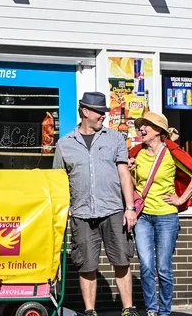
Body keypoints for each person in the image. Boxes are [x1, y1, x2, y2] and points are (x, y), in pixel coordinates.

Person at [53, 92, 139, 316]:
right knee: (87, 265)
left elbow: (123, 174)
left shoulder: (115, 139)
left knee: (121, 260)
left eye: (104, 112)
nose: (103, 116)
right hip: (81, 213)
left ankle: (128, 309)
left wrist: (130, 208)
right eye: (99, 112)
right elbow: (59, 180)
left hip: (113, 210)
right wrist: (65, 208)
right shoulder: (65, 144)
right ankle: (90, 311)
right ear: (85, 112)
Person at [128, 111, 192, 316]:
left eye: (146, 126)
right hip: (143, 216)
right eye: (140, 126)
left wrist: (180, 199)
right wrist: (131, 171)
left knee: (163, 268)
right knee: (146, 266)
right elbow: (134, 185)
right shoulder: (137, 153)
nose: (141, 129)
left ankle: (165, 311)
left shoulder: (171, 153)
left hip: (166, 216)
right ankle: (151, 309)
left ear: (158, 131)